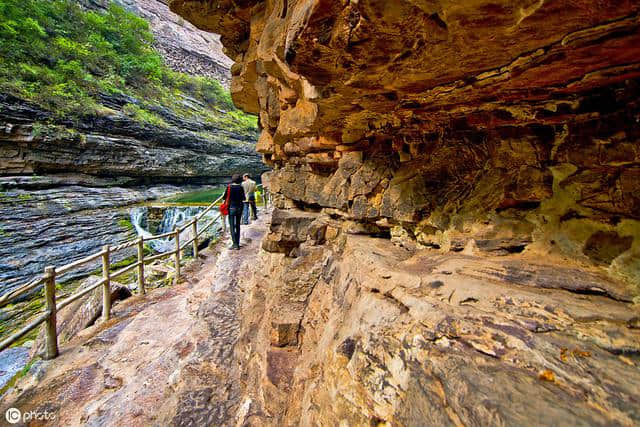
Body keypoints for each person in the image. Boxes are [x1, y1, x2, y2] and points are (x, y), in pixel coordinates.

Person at [223, 174, 245, 250]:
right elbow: (243, 198)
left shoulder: (229, 187)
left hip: (231, 208)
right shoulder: (241, 187)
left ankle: (234, 244)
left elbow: (224, 197)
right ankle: (238, 244)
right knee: (238, 225)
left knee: (232, 226)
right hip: (239, 207)